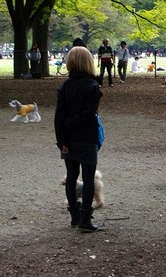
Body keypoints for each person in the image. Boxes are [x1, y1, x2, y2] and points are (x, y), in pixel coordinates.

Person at [55, 46, 103, 232]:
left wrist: (62, 141)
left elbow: (58, 117)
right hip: (86, 137)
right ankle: (85, 219)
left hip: (68, 139)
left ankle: (74, 216)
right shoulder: (92, 86)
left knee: (71, 176)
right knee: (88, 178)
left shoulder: (65, 86)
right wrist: (72, 124)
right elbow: (89, 114)